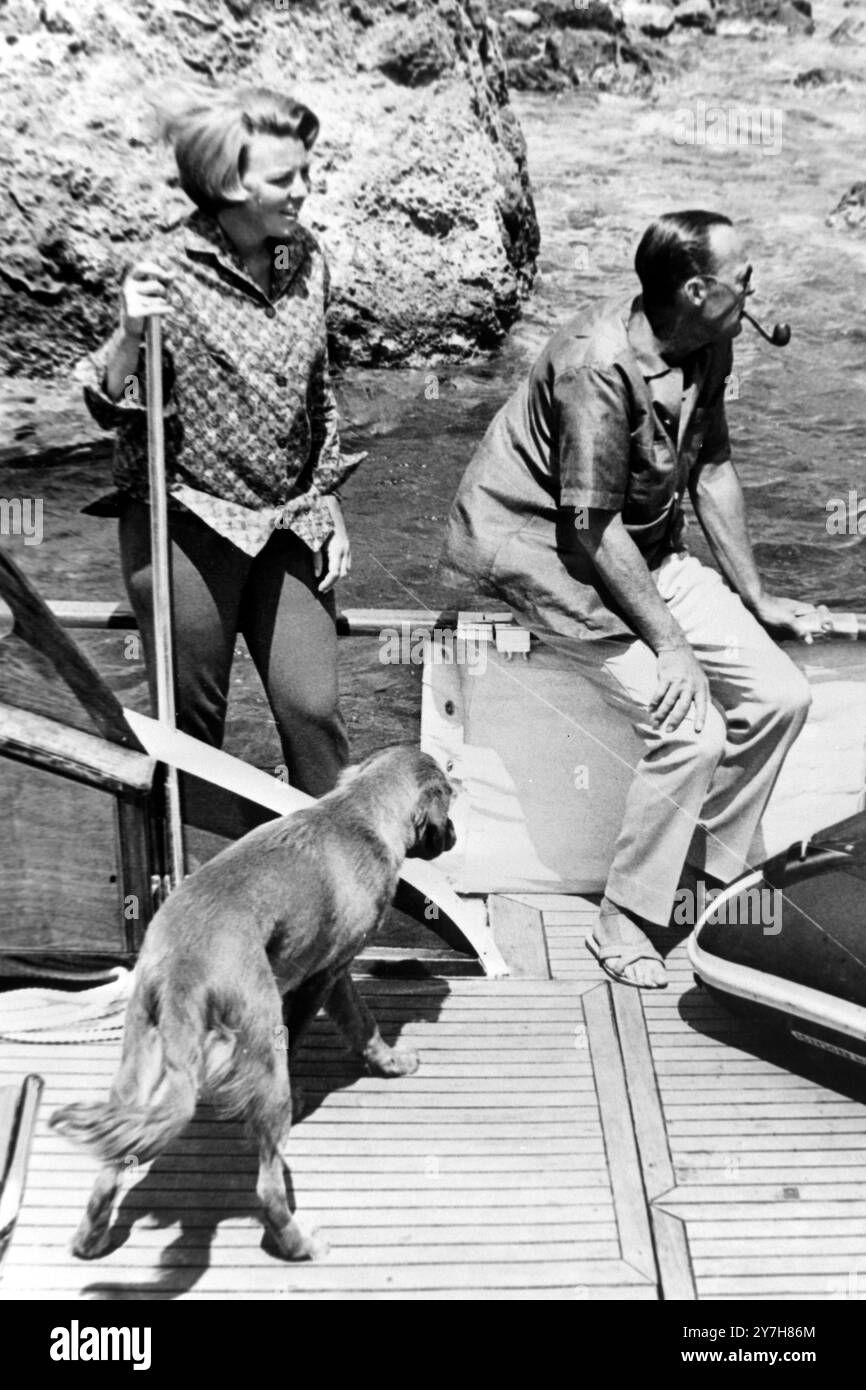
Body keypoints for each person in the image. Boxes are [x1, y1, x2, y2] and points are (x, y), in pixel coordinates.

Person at [441, 210, 831, 988]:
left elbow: (711, 468)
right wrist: (672, 645)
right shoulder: (597, 365)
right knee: (694, 733)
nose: (755, 288)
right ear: (696, 290)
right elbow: (589, 528)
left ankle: (700, 881)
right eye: (743, 275)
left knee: (782, 696)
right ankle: (626, 919)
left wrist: (757, 594)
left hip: (638, 548)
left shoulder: (708, 340)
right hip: (550, 559)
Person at [83, 84, 362, 808]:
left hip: (286, 518)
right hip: (186, 520)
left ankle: (333, 887)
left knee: (312, 710)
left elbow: (318, 395)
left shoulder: (309, 258)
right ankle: (208, 899)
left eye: (306, 172)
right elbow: (104, 403)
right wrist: (129, 333)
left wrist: (327, 497)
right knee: (193, 731)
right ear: (227, 184)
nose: (303, 190)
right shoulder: (163, 273)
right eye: (284, 179)